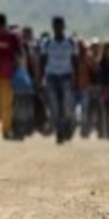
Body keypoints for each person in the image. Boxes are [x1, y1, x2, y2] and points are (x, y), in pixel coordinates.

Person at [40, 16, 78, 144]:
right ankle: (59, 133)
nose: (58, 29)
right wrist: (40, 78)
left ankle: (69, 126)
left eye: (60, 26)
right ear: (53, 28)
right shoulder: (47, 43)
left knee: (67, 106)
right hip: (51, 77)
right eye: (55, 26)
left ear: (63, 27)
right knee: (55, 108)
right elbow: (42, 61)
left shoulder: (71, 43)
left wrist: (76, 78)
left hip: (66, 76)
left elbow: (75, 61)